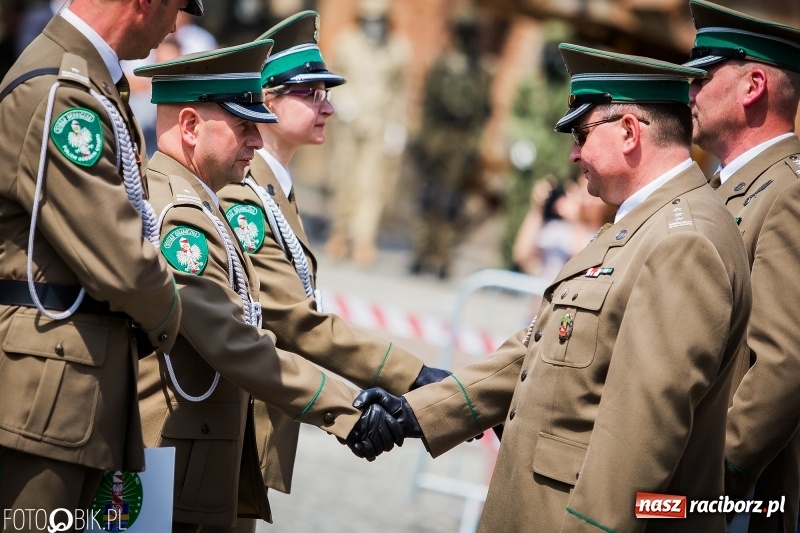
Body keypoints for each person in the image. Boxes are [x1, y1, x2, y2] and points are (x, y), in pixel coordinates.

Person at [349, 44, 753, 532]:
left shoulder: (682, 241)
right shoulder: (645, 224)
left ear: (629, 132)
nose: (574, 153)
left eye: (582, 134)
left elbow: (640, 433)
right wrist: (421, 411)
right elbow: (548, 348)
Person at [133, 40, 404, 533]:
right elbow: (236, 341)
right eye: (243, 127)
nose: (258, 141)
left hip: (196, 457)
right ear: (191, 127)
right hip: (172, 466)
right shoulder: (182, 221)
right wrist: (347, 411)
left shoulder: (202, 201)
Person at [217, 11, 450, 531]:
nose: (328, 105)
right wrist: (414, 376)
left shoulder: (274, 187)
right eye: (311, 93)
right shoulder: (244, 193)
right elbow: (294, 321)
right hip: (226, 424)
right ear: (267, 101)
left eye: (327, 90)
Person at [0, 0, 200, 518]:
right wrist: (172, 316)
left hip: (70, 388)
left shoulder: (87, 84)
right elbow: (123, 259)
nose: (177, 24)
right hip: (47, 398)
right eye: (176, 7)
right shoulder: (60, 92)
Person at [685, 1, 800, 531]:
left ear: (752, 86)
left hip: (736, 500)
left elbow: (785, 363)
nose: (689, 91)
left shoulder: (788, 194)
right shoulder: (732, 187)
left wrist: (712, 479)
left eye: (701, 74)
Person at [323, 0, 411, 267]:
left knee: (372, 183)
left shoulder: (398, 49)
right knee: (344, 177)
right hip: (348, 124)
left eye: (380, 20)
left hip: (378, 124)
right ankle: (340, 233)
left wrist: (398, 126)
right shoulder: (347, 42)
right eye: (370, 20)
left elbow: (400, 91)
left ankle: (363, 238)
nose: (375, 27)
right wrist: (339, 100)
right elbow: (331, 78)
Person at [407, 9, 493, 279]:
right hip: (439, 135)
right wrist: (424, 137)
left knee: (452, 201)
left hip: (461, 139)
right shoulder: (441, 64)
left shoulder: (482, 70)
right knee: (428, 197)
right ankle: (422, 252)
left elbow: (482, 113)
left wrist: (475, 146)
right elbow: (429, 103)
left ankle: (443, 256)